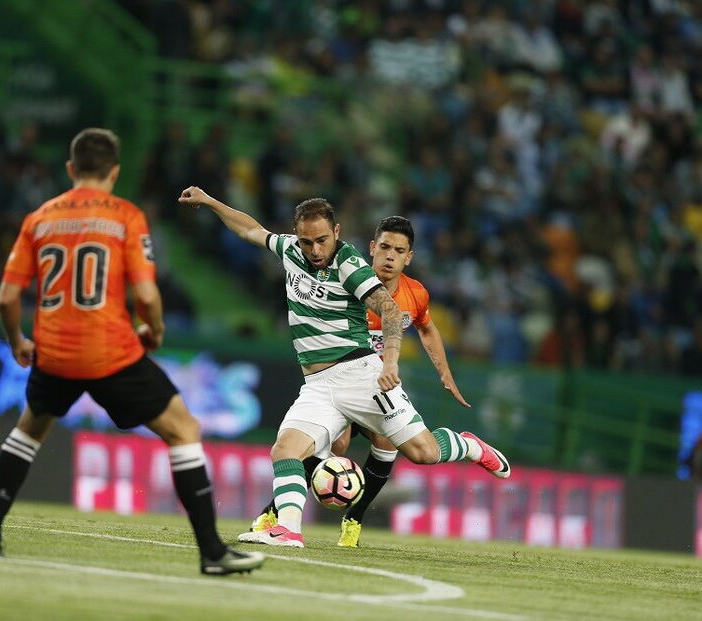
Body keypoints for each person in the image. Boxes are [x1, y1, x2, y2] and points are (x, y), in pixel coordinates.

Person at [0, 129, 265, 576]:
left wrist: (18, 343)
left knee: (28, 431)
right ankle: (211, 553)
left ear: (71, 169)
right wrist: (155, 330)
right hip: (110, 351)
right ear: (115, 171)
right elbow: (146, 293)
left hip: (54, 352)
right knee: (183, 429)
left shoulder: (40, 218)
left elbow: (7, 299)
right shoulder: (126, 216)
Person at [178, 187, 510, 549]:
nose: (315, 251)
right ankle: (287, 529)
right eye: (307, 242)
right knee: (285, 451)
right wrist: (210, 202)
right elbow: (250, 230)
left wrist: (392, 363)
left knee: (424, 453)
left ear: (337, 232)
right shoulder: (291, 250)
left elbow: (389, 310)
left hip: (361, 377)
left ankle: (469, 446)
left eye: (322, 240)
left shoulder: (349, 265)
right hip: (318, 386)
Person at [248, 215, 474, 547]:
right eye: (384, 247)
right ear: (372, 248)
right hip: (336, 379)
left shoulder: (415, 294)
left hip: (376, 381)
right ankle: (281, 518)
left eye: (399, 250)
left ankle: (354, 516)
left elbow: (426, 327)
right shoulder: (352, 281)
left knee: (397, 446)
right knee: (329, 447)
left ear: (408, 257)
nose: (390, 256)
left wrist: (443, 372)